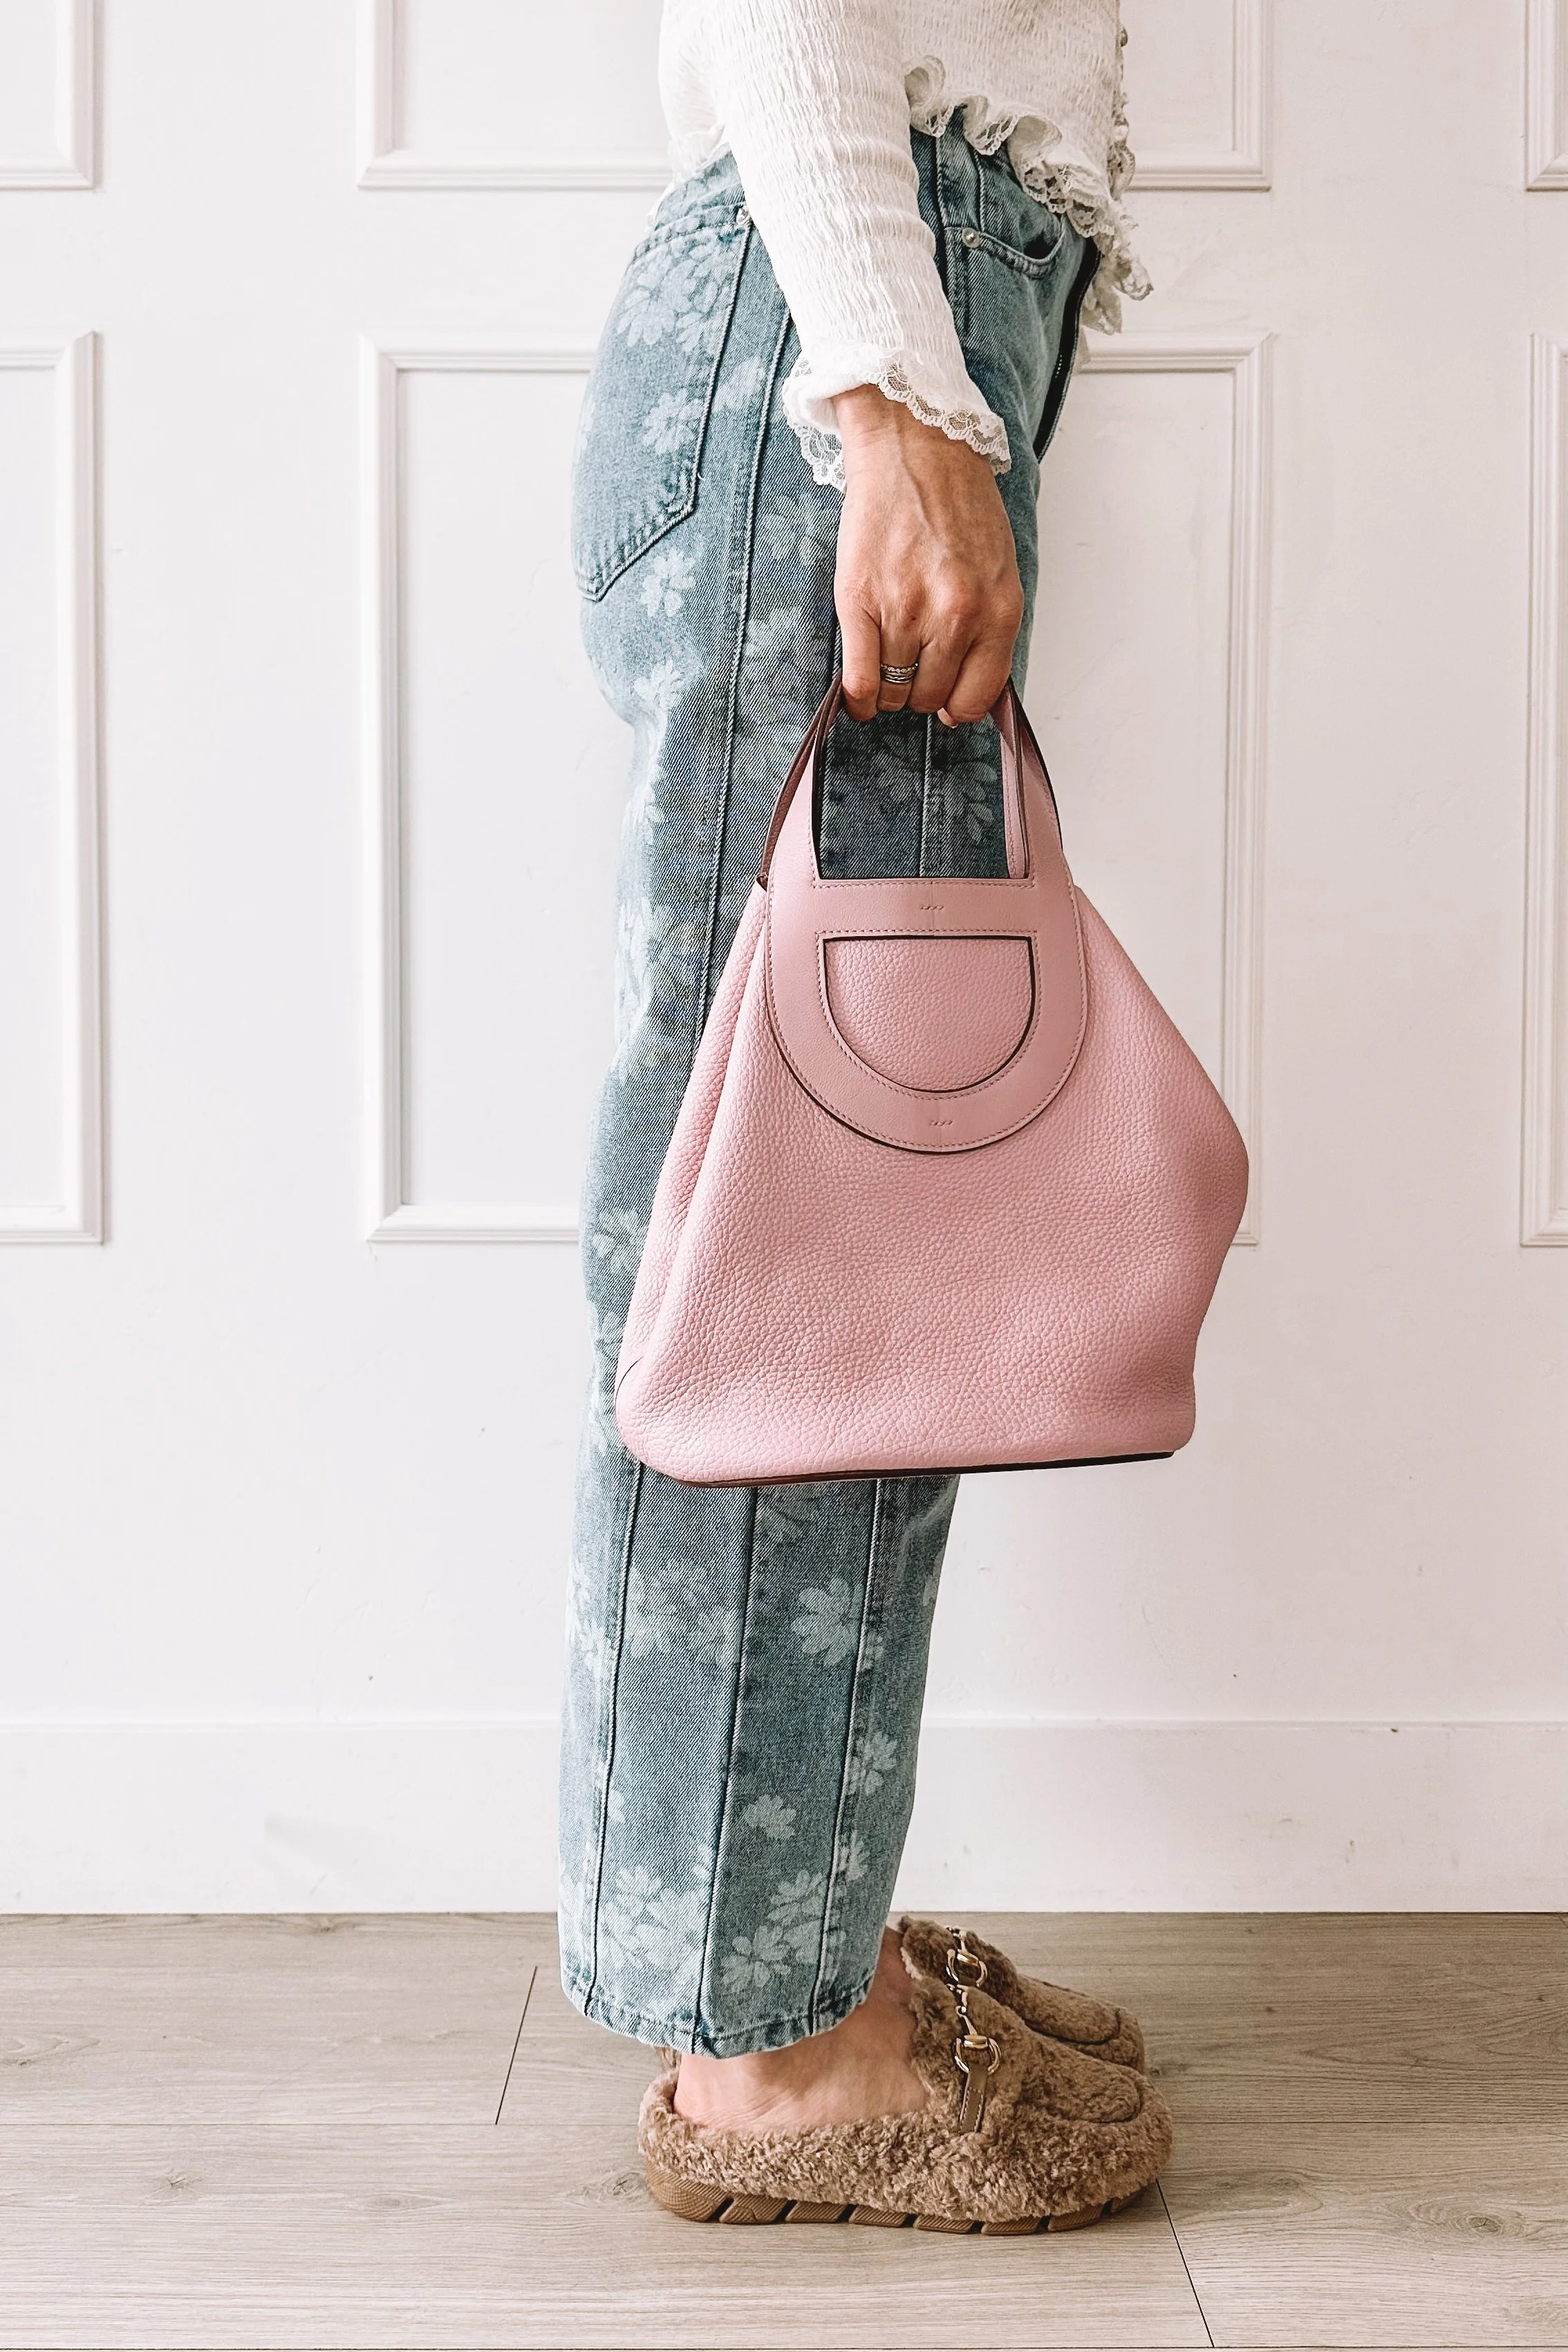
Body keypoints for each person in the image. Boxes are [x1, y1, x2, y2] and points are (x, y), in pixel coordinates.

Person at [559, 0, 1172, 2230]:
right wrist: (897, 402)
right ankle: (769, 2051)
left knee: (853, 1222)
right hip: (845, 329)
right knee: (796, 1242)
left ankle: (799, 1941)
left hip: (874, 311)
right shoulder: (868, 354)